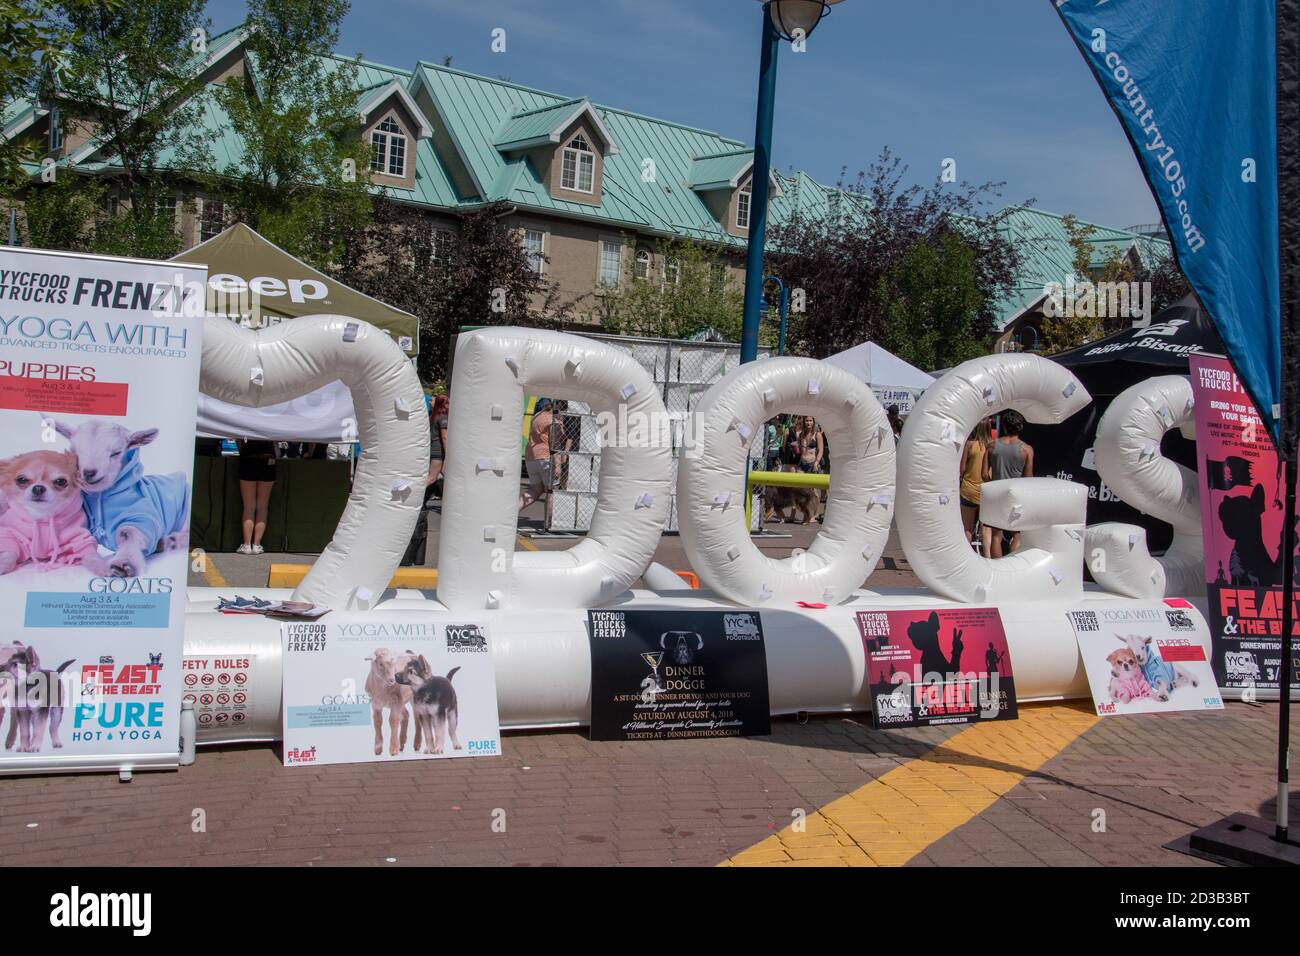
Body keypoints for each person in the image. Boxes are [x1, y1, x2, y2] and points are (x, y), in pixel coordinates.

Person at [984, 409, 1033, 558]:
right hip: (1017, 495)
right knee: (1017, 534)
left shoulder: (991, 446)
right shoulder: (1027, 449)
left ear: (1004, 427)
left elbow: (984, 474)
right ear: (1020, 427)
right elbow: (1029, 477)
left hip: (997, 494)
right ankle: (1013, 565)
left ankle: (999, 568)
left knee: (997, 535)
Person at [959, 418, 994, 553]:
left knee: (967, 527)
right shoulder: (993, 445)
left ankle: (966, 556)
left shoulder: (969, 445)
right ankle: (987, 557)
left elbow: (962, 469)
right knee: (986, 528)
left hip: (969, 489)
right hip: (987, 490)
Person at [236, 439, 277, 555]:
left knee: (249, 506)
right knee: (262, 506)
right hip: (268, 457)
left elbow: (238, 440)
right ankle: (257, 545)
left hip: (248, 455)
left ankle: (247, 544)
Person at [518, 398, 554, 511]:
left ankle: (513, 511)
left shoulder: (534, 418)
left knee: (535, 490)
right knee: (552, 491)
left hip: (530, 457)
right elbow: (554, 441)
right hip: (545, 457)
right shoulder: (551, 418)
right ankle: (550, 524)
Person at [426, 394, 450, 494]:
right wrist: (448, 452)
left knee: (447, 475)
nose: (449, 404)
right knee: (431, 478)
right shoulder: (443, 418)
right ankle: (412, 497)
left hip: (433, 450)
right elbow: (444, 437)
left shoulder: (433, 416)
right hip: (439, 452)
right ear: (443, 404)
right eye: (448, 402)